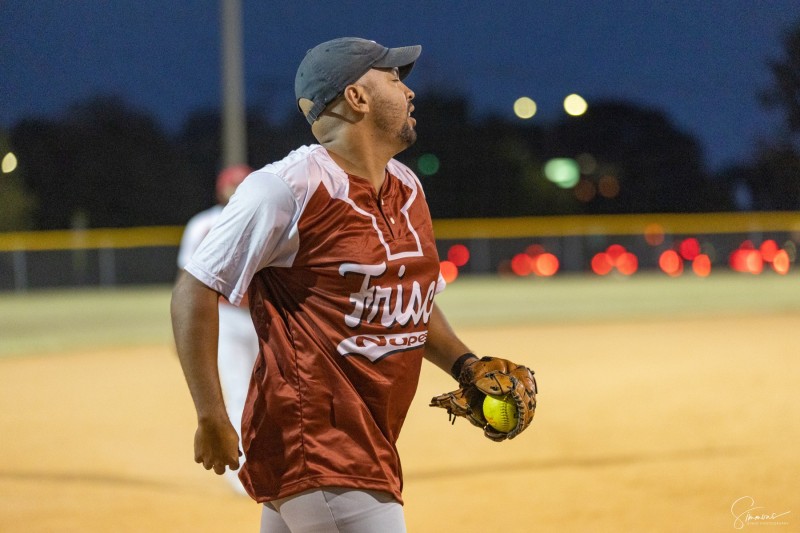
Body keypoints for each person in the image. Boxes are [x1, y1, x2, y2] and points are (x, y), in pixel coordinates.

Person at [171, 37, 523, 531]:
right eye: (394, 79)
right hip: (319, 446)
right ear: (356, 97)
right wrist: (211, 414)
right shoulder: (285, 189)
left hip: (366, 442)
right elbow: (195, 288)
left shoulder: (407, 186)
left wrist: (465, 365)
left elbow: (414, 300)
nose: (409, 92)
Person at [176, 164, 259, 495]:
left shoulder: (266, 217)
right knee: (237, 389)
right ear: (220, 190)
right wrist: (183, 332)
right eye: (231, 184)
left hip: (263, 315)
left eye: (243, 183)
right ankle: (240, 471)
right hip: (223, 317)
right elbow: (188, 283)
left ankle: (272, 459)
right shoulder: (203, 224)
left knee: (267, 389)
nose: (236, 189)